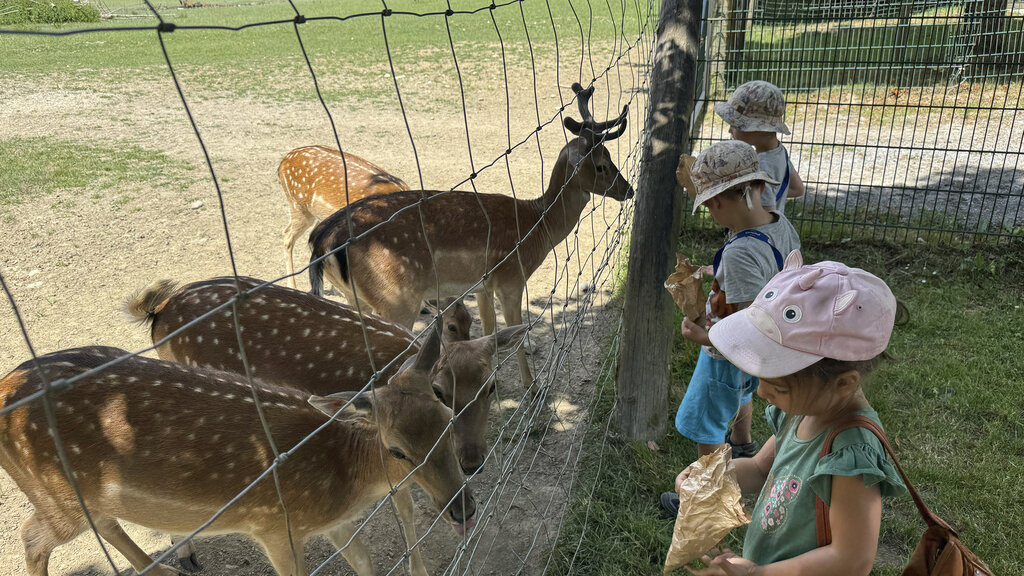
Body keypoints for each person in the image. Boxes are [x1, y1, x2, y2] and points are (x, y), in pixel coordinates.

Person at [676, 252, 908, 576]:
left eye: (778, 386)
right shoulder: (804, 411)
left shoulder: (852, 452)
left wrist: (757, 574)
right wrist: (712, 476)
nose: (760, 392)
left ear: (842, 384)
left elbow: (852, 559)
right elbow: (760, 469)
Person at [672, 140, 800, 468]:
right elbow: (769, 274)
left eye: (709, 206)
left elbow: (748, 323)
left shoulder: (739, 253)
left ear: (716, 203)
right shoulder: (779, 223)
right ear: (760, 185)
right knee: (741, 390)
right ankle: (742, 443)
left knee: (706, 419)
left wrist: (705, 336)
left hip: (728, 350)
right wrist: (719, 272)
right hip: (761, 349)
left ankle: (712, 492)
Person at [715, 80, 805, 213]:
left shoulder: (761, 169)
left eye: (735, 125)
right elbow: (798, 189)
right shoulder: (779, 152)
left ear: (757, 128)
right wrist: (767, 195)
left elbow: (765, 217)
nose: (730, 130)